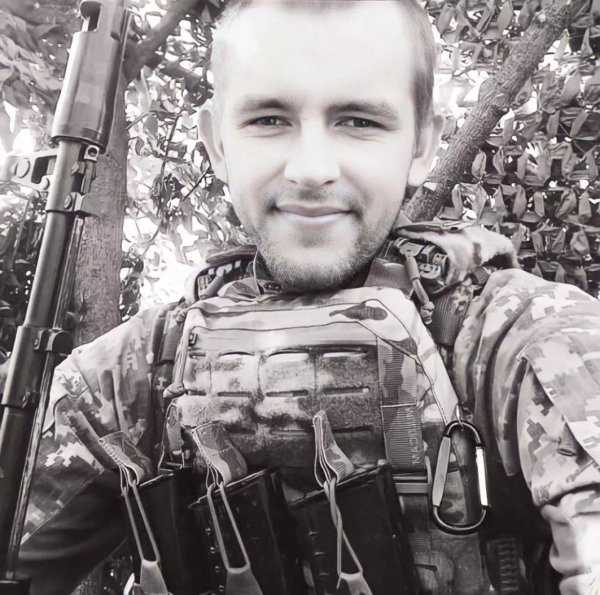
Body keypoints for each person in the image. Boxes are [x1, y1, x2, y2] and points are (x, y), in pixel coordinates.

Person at [9, 0, 600, 594]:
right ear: (216, 143)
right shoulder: (131, 374)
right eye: (269, 118)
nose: (311, 170)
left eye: (359, 121)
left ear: (423, 145)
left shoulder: (534, 343)